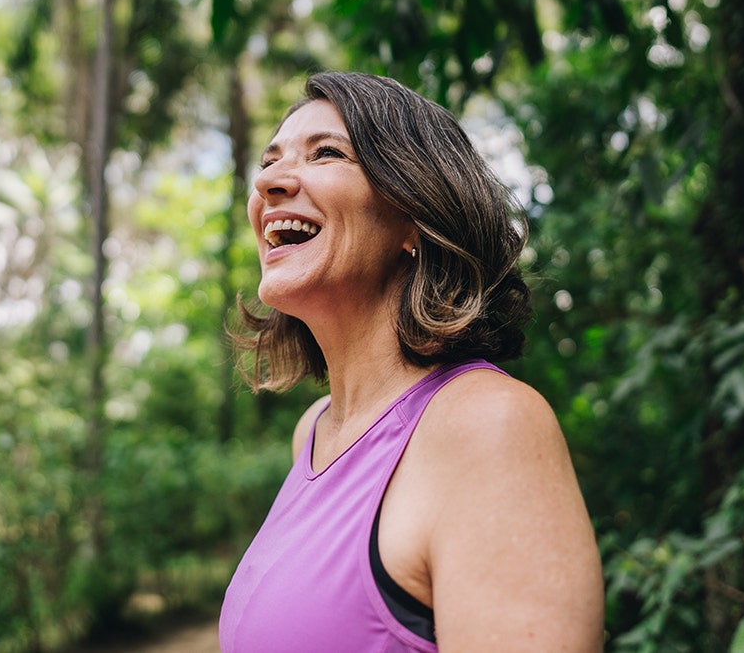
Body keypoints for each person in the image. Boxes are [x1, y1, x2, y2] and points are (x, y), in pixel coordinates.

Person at [219, 71, 603, 652]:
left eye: (326, 153)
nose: (270, 181)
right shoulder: (315, 433)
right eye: (269, 162)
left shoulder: (487, 426)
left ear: (414, 219)